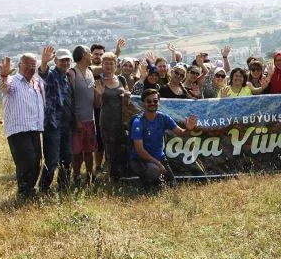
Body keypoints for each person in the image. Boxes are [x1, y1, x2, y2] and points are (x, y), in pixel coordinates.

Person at [0, 52, 45, 199]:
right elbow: (2, 86)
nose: (31, 68)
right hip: (18, 129)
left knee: (37, 161)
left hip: (34, 128)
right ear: (19, 66)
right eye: (27, 65)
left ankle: (30, 190)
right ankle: (23, 192)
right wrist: (4, 75)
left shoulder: (36, 83)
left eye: (33, 65)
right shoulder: (13, 81)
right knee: (26, 161)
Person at [129, 89, 198, 188]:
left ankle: (154, 182)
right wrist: (158, 164)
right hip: (140, 160)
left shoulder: (163, 118)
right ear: (143, 103)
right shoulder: (138, 122)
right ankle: (145, 184)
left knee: (172, 187)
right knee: (154, 171)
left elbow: (182, 133)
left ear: (159, 102)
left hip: (160, 158)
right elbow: (140, 151)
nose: (152, 103)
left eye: (155, 101)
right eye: (149, 101)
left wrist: (188, 129)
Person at [38, 45, 74, 193]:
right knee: (52, 160)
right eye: (62, 60)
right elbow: (43, 73)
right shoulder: (52, 75)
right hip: (53, 124)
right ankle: (44, 189)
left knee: (67, 158)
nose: (65, 63)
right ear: (56, 62)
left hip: (67, 124)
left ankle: (63, 187)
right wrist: (44, 62)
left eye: (67, 60)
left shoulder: (68, 78)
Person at [94, 52, 131, 181]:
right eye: (106, 63)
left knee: (122, 146)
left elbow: (126, 101)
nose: (109, 66)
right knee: (109, 149)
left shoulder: (121, 79)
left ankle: (123, 174)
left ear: (116, 65)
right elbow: (97, 104)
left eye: (111, 63)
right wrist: (99, 94)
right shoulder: (98, 81)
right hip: (106, 120)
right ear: (102, 65)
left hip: (121, 120)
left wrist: (127, 97)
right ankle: (113, 177)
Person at [67, 45, 98, 187]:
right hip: (78, 120)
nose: (92, 56)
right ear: (84, 55)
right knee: (77, 151)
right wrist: (76, 119)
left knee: (89, 150)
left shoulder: (90, 72)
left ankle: (90, 176)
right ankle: (77, 176)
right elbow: (69, 98)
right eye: (90, 53)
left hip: (90, 119)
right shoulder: (72, 73)